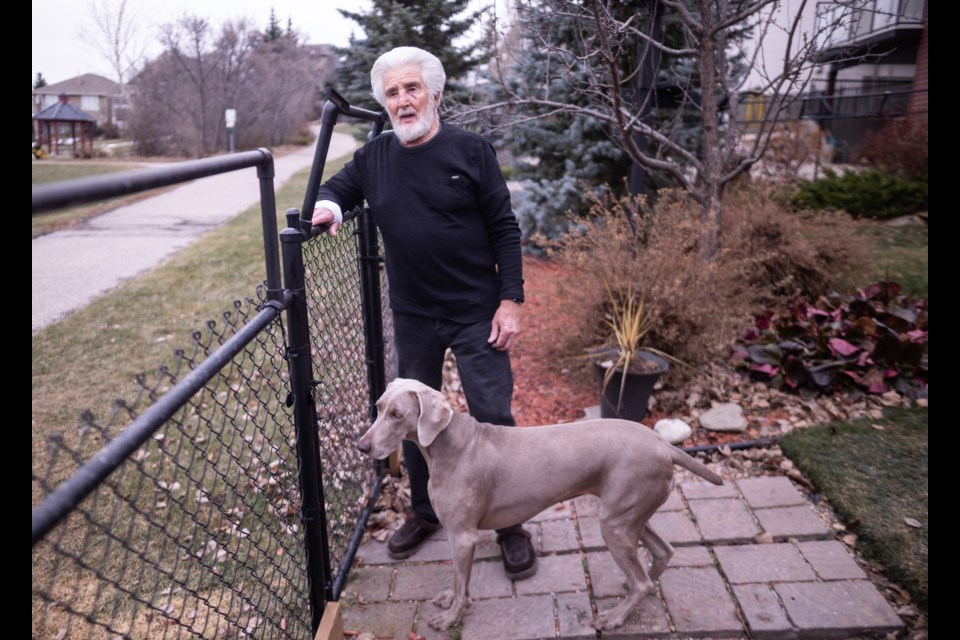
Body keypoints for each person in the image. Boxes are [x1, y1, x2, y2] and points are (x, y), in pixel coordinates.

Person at [310, 46, 536, 579]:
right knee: (407, 421)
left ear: (434, 94)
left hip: (476, 309)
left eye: (412, 89)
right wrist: (328, 206)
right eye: (392, 93)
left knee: (493, 416)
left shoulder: (471, 150)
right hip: (414, 313)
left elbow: (504, 226)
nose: (403, 101)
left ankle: (509, 524)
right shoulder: (377, 156)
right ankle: (427, 512)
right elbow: (339, 188)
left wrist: (510, 301)